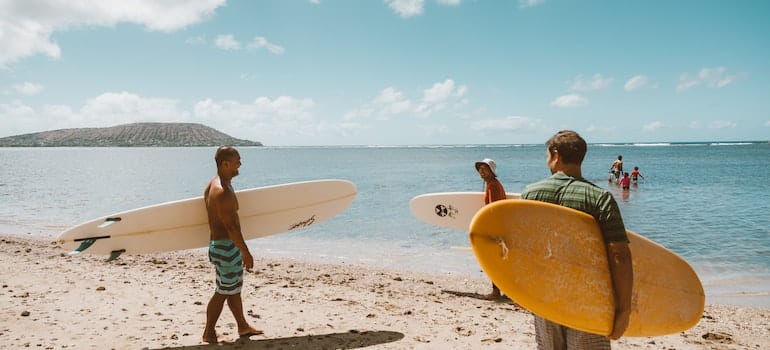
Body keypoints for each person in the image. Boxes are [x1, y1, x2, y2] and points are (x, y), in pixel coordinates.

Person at [521, 130, 633, 350]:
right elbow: (620, 256)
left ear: (555, 155)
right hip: (589, 300)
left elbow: (522, 250)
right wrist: (624, 310)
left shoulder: (530, 194)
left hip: (544, 298)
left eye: (547, 155)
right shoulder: (599, 198)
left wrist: (520, 292)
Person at [202, 146, 263, 343]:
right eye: (237, 160)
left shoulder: (214, 184)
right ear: (225, 164)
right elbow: (231, 228)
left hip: (221, 246)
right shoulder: (222, 191)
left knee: (232, 288)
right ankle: (209, 332)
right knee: (222, 292)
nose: (240, 164)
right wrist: (246, 252)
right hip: (226, 247)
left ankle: (243, 326)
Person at [475, 158, 507, 300]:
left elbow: (494, 208)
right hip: (499, 226)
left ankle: (496, 292)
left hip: (495, 228)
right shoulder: (492, 184)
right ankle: (505, 291)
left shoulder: (493, 185)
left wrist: (488, 227)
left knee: (492, 260)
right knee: (499, 260)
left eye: (484, 169)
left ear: (491, 171)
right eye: (480, 169)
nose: (481, 171)